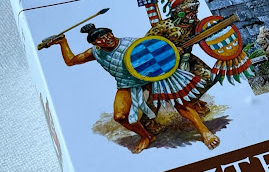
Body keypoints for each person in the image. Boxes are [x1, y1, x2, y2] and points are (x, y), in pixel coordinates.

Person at [47, 24, 219, 153]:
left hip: (150, 78)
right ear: (96, 43)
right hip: (127, 84)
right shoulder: (96, 52)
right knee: (120, 116)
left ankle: (205, 132)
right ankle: (147, 136)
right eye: (102, 39)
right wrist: (62, 42)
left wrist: (172, 51)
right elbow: (71, 61)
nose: (107, 39)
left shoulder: (132, 43)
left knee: (179, 101)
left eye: (108, 35)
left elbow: (157, 51)